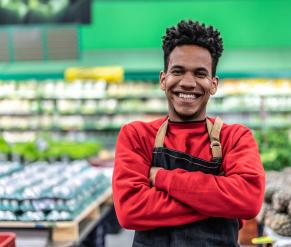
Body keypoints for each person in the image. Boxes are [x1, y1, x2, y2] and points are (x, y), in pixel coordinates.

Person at [112, 20, 265, 247]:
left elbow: (249, 200)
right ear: (163, 80)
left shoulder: (235, 138)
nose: (187, 82)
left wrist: (162, 178)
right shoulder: (136, 135)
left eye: (200, 73)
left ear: (213, 84)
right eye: (178, 71)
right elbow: (130, 211)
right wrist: (220, 201)